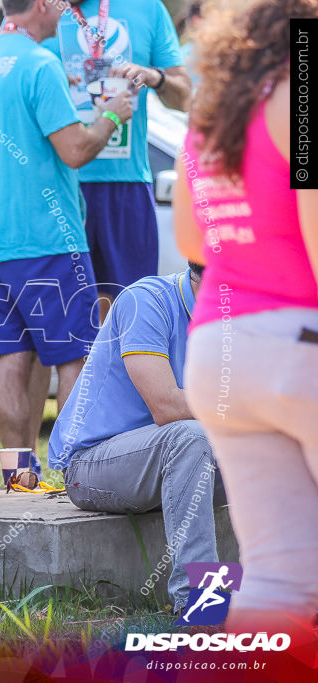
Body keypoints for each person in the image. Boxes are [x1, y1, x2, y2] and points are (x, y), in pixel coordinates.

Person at [175, 0, 318, 637]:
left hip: (221, 350)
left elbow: (191, 241)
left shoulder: (212, 110)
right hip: (299, 341)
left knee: (278, 578)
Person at [0, 0, 132, 463]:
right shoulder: (40, 63)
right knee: (73, 356)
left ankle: (17, 474)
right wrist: (113, 114)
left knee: (13, 358)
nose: (65, 10)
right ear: (39, 5)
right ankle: (72, 469)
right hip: (48, 238)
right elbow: (75, 150)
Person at [48, 263, 223, 612]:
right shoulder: (146, 301)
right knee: (190, 435)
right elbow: (166, 405)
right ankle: (203, 605)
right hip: (92, 463)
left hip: (176, 463)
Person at [45, 0, 191, 317]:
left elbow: (185, 96)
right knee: (62, 325)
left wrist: (154, 77)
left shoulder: (147, 8)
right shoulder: (37, 9)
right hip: (60, 187)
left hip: (125, 186)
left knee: (132, 316)